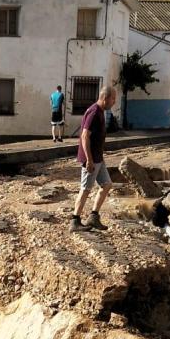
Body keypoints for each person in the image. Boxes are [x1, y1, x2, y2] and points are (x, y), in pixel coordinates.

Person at [71, 86, 117, 232]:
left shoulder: (100, 112)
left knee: (107, 184)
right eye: (113, 99)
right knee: (85, 189)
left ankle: (93, 217)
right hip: (91, 159)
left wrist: (98, 158)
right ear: (105, 98)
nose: (114, 102)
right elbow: (85, 136)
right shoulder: (94, 112)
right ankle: (75, 221)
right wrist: (89, 160)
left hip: (98, 158)